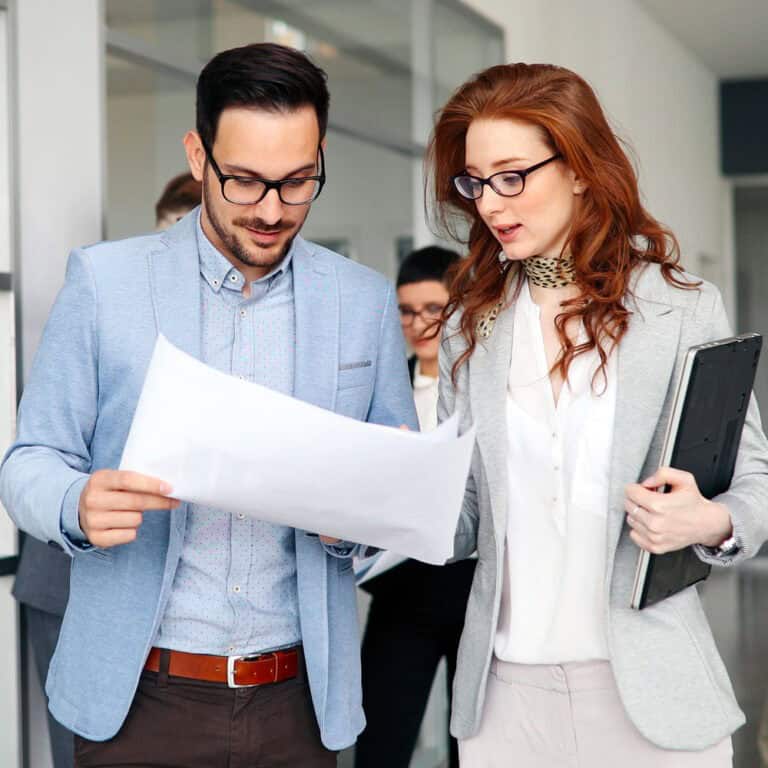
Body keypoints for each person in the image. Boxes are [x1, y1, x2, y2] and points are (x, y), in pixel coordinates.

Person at [0, 42, 416, 768]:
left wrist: (357, 524)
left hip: (299, 703)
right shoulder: (105, 283)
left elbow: (396, 475)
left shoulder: (362, 300)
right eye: (246, 182)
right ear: (199, 157)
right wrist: (74, 503)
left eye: (297, 183)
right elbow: (29, 460)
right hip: (139, 699)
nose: (272, 210)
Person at [427, 62, 768, 767]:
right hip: (501, 704)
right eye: (476, 181)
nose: (491, 203)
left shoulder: (680, 305)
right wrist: (386, 495)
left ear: (580, 168)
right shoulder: (471, 327)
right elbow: (464, 518)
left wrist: (711, 520)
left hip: (651, 692)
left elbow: (755, 478)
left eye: (513, 175)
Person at [9, 169, 203, 768]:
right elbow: (37, 451)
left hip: (176, 603)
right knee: (77, 746)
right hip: (65, 576)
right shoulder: (105, 300)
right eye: (170, 230)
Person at [355, 246, 475, 768]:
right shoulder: (382, 389)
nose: (418, 323)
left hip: (474, 586)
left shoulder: (482, 388)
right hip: (399, 588)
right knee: (382, 734)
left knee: (469, 742)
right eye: (406, 310)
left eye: (434, 309)